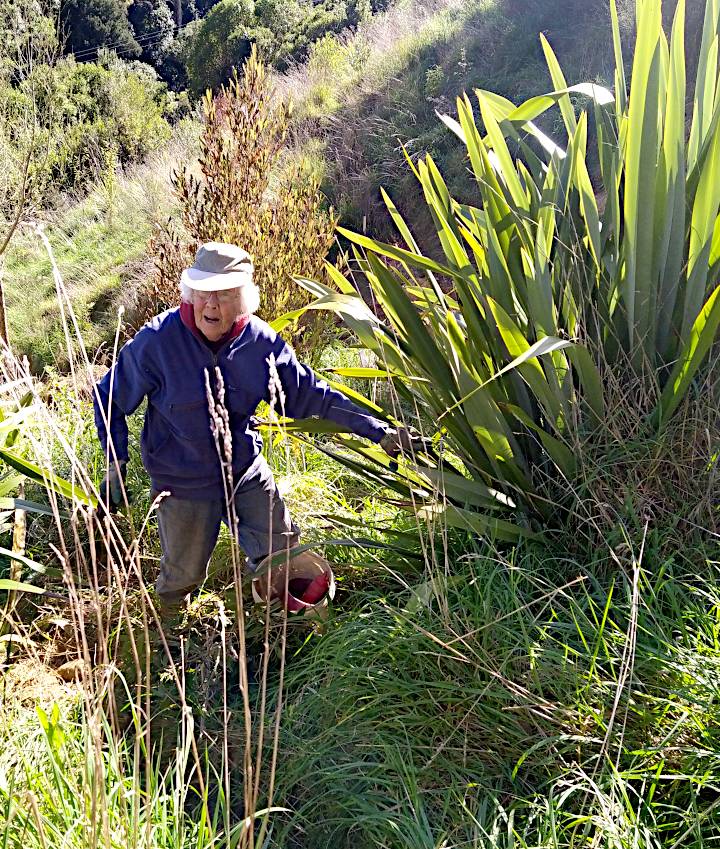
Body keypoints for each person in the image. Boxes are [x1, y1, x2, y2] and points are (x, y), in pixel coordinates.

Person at [93, 242, 414, 609]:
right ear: (190, 293)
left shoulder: (261, 344)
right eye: (204, 293)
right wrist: (115, 462)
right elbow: (108, 398)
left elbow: (311, 395)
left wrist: (379, 431)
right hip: (182, 482)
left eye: (224, 294)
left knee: (285, 552)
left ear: (243, 301)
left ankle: (282, 629)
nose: (211, 305)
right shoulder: (158, 342)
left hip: (243, 468)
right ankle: (167, 634)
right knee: (184, 575)